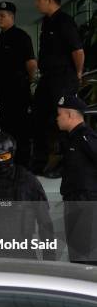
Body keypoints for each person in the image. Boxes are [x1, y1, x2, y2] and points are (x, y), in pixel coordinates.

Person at [0, 130, 55, 260]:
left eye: (5, 157)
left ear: (12, 154)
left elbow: (45, 224)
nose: (1, 161)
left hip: (23, 253)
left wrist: (49, 258)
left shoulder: (28, 182)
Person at [33, 0, 85, 177]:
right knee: (39, 117)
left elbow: (78, 51)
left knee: (63, 120)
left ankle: (65, 163)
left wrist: (78, 73)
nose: (36, 3)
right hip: (47, 78)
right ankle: (39, 162)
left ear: (49, 0)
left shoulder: (65, 21)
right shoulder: (46, 22)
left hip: (63, 77)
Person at [0, 1, 37, 168]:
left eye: (2, 16)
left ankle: (24, 166)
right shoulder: (2, 37)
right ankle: (11, 164)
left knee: (21, 131)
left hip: (19, 91)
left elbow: (31, 63)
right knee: (7, 130)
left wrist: (33, 87)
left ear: (12, 17)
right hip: (5, 93)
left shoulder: (21, 36)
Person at [56, 95, 97, 264]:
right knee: (77, 256)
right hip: (74, 202)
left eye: (59, 114)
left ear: (70, 115)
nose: (57, 118)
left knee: (87, 257)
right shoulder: (71, 139)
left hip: (87, 204)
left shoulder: (86, 137)